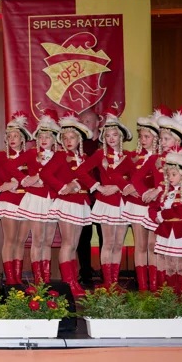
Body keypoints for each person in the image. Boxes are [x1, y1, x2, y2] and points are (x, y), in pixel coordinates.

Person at [133, 105, 182, 289]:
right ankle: (159, 289)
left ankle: (175, 291)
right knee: (156, 248)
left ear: (177, 139)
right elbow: (136, 178)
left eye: (166, 138)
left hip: (176, 210)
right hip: (158, 208)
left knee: (175, 255)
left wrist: (158, 189)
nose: (162, 141)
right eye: (161, 138)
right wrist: (146, 192)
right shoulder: (155, 158)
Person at [75, 108, 134, 288]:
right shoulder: (100, 154)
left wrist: (118, 186)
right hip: (105, 202)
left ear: (121, 136)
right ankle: (107, 283)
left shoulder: (129, 156)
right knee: (107, 243)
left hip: (122, 201)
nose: (111, 138)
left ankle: (114, 283)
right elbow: (81, 171)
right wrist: (97, 186)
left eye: (114, 135)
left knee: (118, 243)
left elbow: (136, 179)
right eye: (107, 135)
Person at [42, 111, 96, 298]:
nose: (68, 141)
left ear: (79, 139)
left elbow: (89, 179)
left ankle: (74, 281)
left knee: (74, 244)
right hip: (66, 202)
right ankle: (68, 283)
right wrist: (63, 187)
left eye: (72, 137)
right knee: (67, 243)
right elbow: (45, 174)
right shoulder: (60, 156)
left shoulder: (85, 158)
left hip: (80, 202)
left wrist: (76, 184)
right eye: (65, 138)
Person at [0, 111, 34, 287]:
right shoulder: (1, 155)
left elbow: (35, 175)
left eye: (15, 136)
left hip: (27, 200)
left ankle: (17, 277)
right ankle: (9, 278)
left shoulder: (30, 155)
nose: (12, 139)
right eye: (9, 136)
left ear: (23, 138)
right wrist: (1, 184)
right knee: (10, 240)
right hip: (9, 200)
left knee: (21, 241)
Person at [121, 106, 171, 291]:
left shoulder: (164, 157)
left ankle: (156, 286)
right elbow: (120, 175)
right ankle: (143, 287)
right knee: (140, 245)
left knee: (153, 245)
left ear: (156, 138)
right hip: (138, 204)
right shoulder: (134, 156)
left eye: (147, 136)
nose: (143, 140)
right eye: (141, 136)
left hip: (156, 205)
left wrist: (154, 191)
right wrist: (131, 188)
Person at [15, 110, 61, 285]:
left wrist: (40, 177)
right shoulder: (31, 153)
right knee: (37, 240)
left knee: (47, 241)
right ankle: (38, 280)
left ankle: (46, 280)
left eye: (47, 136)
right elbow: (10, 166)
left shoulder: (60, 156)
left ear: (54, 139)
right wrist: (25, 180)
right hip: (35, 199)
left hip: (53, 199)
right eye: (41, 136)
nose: (44, 139)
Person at [147, 149, 182, 295]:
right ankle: (170, 297)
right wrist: (155, 216)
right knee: (169, 266)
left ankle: (181, 297)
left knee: (181, 266)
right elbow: (152, 207)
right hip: (166, 233)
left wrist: (162, 214)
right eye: (168, 174)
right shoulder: (165, 191)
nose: (169, 177)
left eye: (173, 174)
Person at [76, 108, 103, 284]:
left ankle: (106, 271)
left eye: (87, 121)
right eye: (81, 121)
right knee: (83, 236)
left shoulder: (106, 142)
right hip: (84, 196)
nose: (84, 124)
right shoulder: (79, 144)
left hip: (103, 196)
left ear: (97, 122)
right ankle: (85, 272)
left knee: (104, 236)